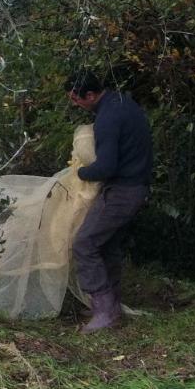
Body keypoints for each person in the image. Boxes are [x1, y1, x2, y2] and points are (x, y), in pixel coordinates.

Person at [65, 71, 154, 333]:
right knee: (109, 245)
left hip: (123, 191)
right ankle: (109, 304)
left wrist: (80, 172)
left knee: (85, 243)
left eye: (76, 99)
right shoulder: (122, 102)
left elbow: (105, 167)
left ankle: (105, 312)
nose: (75, 104)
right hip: (137, 186)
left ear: (90, 95)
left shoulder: (107, 118)